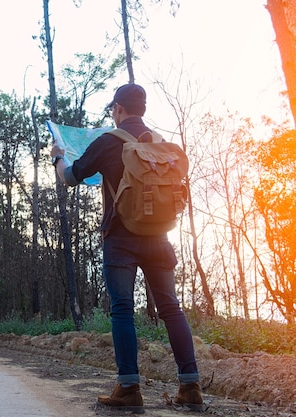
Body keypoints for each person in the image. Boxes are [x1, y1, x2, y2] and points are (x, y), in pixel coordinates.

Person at [50, 83, 204, 413]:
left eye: (113, 109)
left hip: (120, 237)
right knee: (171, 307)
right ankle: (190, 386)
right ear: (143, 109)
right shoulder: (161, 145)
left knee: (122, 308)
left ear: (119, 109)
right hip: (160, 236)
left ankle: (129, 389)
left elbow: (71, 178)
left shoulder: (108, 142)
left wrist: (58, 157)